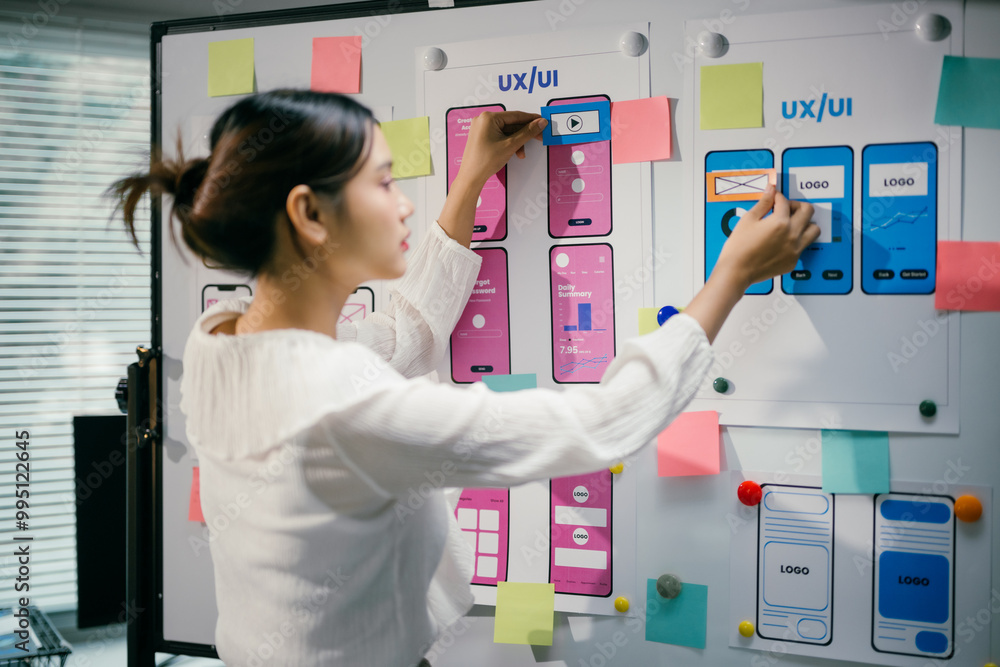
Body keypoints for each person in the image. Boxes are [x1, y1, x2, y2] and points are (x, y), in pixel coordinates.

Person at [110, 89, 817, 666]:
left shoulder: (220, 341)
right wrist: (734, 275)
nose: (403, 202)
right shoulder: (338, 403)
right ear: (308, 214)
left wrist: (472, 180)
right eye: (382, 183)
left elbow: (404, 334)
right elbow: (604, 422)